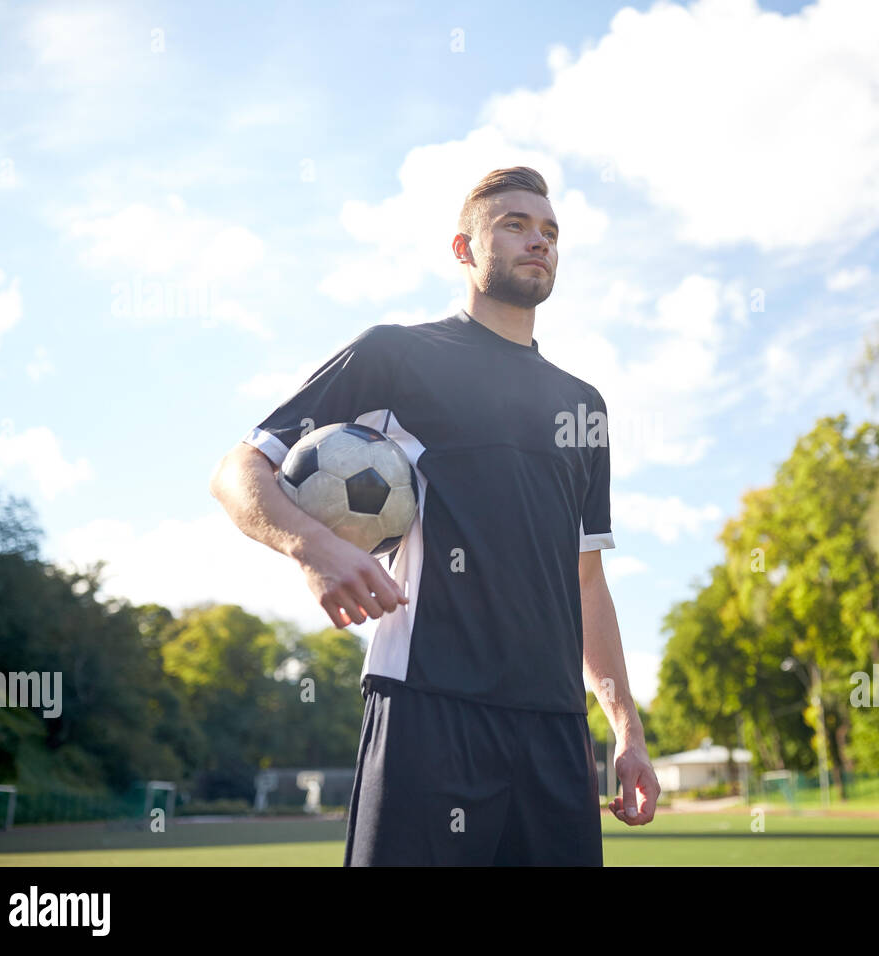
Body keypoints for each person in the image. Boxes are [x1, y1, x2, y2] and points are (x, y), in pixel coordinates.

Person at [209, 166, 659, 865]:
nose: (537, 241)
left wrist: (624, 727)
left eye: (549, 231)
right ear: (463, 249)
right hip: (428, 707)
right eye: (514, 224)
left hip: (557, 732)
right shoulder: (395, 355)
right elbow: (238, 470)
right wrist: (314, 548)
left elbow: (587, 581)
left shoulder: (584, 406)